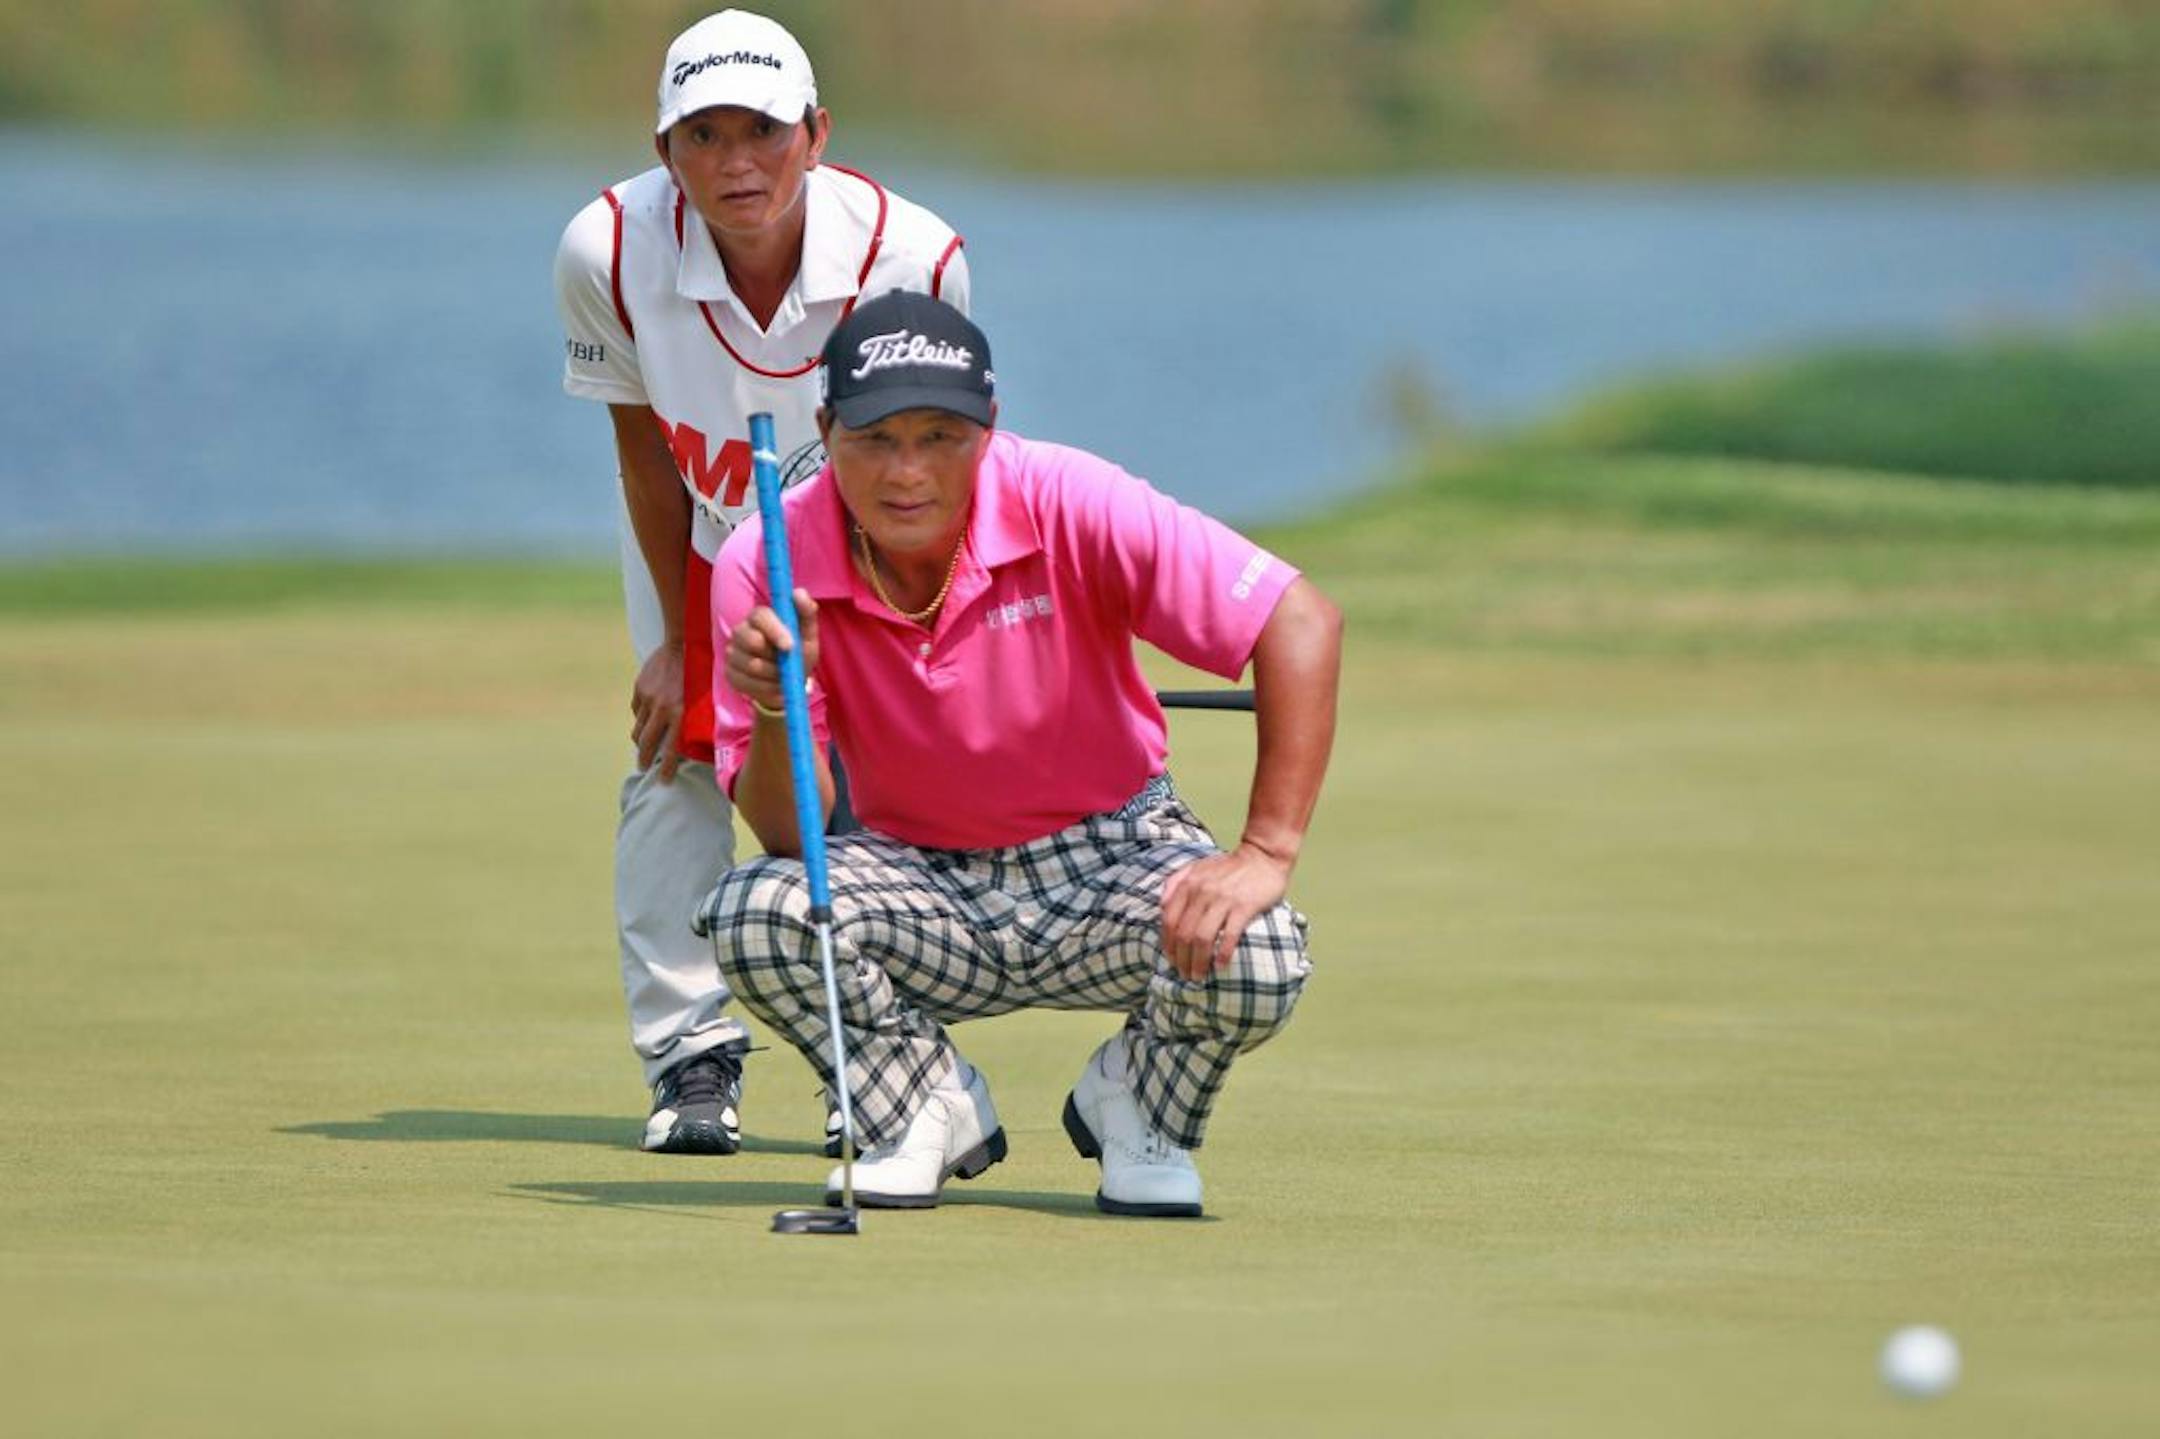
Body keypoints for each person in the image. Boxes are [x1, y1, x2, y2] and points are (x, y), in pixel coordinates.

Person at [696, 291, 1343, 1216]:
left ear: (991, 428)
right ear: (826, 427)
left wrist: (1265, 852)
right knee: (755, 912)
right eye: (876, 439)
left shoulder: (1069, 496)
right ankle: (920, 1101)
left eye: (941, 438)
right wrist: (773, 704)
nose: (907, 472)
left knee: (1262, 948)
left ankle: (1138, 1100)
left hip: (1111, 853)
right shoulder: (767, 558)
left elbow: (1300, 620)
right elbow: (784, 831)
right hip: (914, 873)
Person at [553, 10, 974, 1155]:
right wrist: (682, 643)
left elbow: (938, 452)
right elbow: (643, 449)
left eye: (764, 131)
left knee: (868, 782)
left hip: (868, 535)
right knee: (672, 756)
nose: (737, 161)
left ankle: (875, 1057)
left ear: (816, 134)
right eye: (705, 135)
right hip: (705, 532)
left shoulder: (913, 255)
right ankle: (690, 1058)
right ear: (665, 149)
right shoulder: (606, 251)